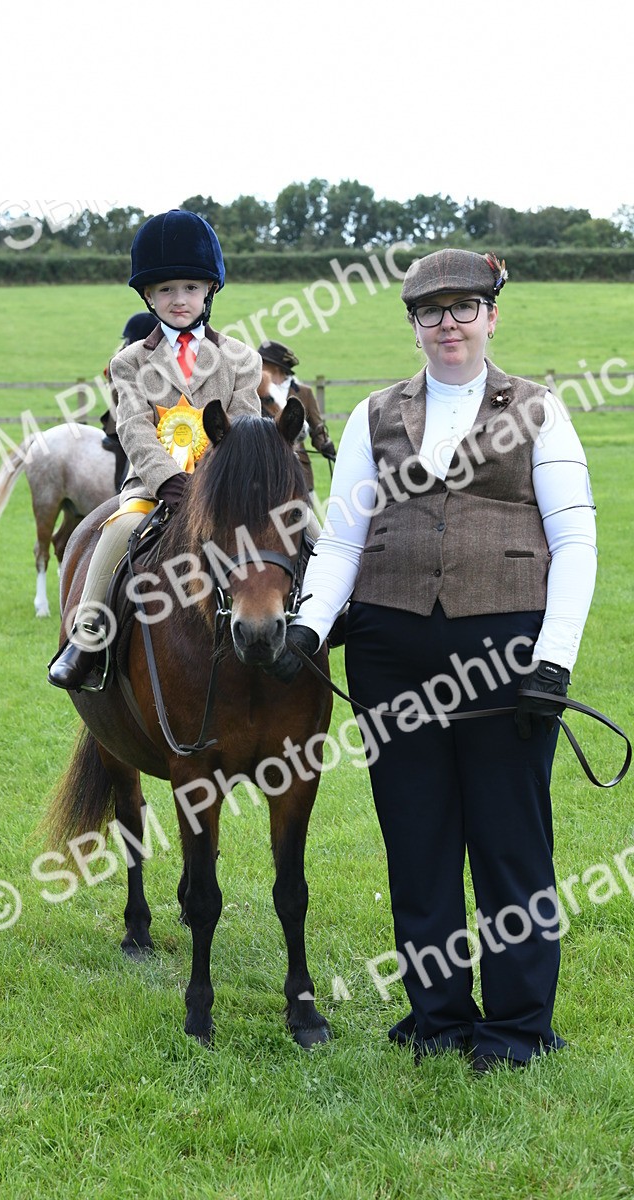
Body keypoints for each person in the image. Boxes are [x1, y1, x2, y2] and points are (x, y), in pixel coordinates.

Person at [268, 249, 597, 1072]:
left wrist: (552, 662)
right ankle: (439, 1015)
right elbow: (343, 536)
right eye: (431, 311)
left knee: (509, 842)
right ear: (413, 324)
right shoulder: (373, 415)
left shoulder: (540, 411)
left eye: (464, 307)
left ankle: (518, 1026)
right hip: (392, 652)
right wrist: (309, 627)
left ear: (492, 315)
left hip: (505, 655)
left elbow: (577, 541)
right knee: (416, 841)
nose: (448, 323)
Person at [48, 208, 263, 691]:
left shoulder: (241, 359)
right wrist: (168, 480)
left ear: (210, 290)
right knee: (116, 529)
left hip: (225, 486)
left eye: (190, 287)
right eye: (166, 290)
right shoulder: (128, 362)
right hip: (153, 485)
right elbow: (133, 426)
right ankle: (86, 639)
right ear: (148, 295)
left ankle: (320, 615)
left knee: (297, 519)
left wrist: (214, 481)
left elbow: (247, 424)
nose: (179, 299)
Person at [257, 340, 337, 495]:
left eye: (263, 362)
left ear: (275, 366)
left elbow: (317, 427)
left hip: (299, 470)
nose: (258, 366)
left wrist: (325, 445)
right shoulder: (258, 391)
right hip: (266, 470)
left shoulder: (304, 393)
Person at [100, 312, 160, 492]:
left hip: (153, 418)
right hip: (122, 419)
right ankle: (120, 487)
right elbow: (124, 398)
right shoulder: (121, 361)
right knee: (130, 443)